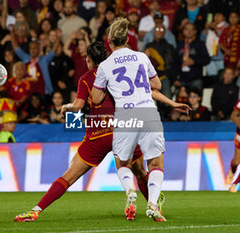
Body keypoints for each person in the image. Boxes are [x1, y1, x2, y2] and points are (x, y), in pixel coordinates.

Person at [91, 18, 190, 221]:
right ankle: (153, 204)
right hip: (148, 112)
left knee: (123, 163)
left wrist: (109, 87)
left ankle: (130, 192)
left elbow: (96, 98)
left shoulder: (105, 66)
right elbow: (157, 85)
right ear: (127, 39)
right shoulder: (142, 57)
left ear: (109, 41)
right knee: (155, 163)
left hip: (125, 116)